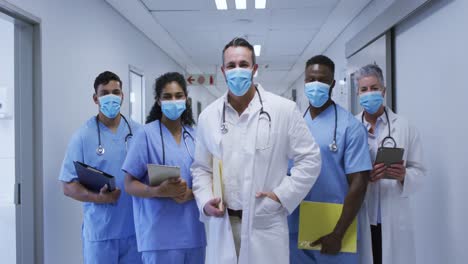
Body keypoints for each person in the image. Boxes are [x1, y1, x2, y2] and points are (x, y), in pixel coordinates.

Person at [191, 37, 322, 264]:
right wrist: (205, 200)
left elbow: (310, 159)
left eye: (243, 64)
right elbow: (201, 168)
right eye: (231, 66)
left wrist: (281, 195)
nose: (237, 70)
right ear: (223, 70)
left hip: (265, 221)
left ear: (254, 69)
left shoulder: (283, 110)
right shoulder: (208, 116)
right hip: (224, 223)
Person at [288, 55, 373, 264]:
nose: (316, 85)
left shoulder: (350, 127)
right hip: (295, 226)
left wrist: (338, 233)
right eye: (311, 79)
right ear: (304, 82)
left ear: (333, 83)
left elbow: (359, 183)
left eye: (323, 80)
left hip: (335, 227)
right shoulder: (294, 123)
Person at [122, 72, 206, 264]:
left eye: (178, 96)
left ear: (186, 99)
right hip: (158, 237)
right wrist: (158, 191)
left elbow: (206, 178)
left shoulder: (194, 136)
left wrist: (191, 193)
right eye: (167, 97)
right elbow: (129, 184)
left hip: (193, 234)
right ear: (158, 101)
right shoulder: (145, 135)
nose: (173, 101)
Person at [59, 71, 142, 264]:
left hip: (135, 231)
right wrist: (98, 197)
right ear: (95, 98)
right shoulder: (82, 136)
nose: (111, 97)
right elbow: (68, 185)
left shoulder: (139, 133)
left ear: (122, 95)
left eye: (116, 91)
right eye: (105, 93)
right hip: (101, 233)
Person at [355, 64, 425, 264]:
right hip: (362, 214)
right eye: (364, 89)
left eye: (374, 88)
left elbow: (420, 171)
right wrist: (363, 179)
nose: (370, 94)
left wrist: (404, 176)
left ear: (384, 91)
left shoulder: (404, 126)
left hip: (393, 218)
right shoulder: (351, 128)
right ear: (358, 94)